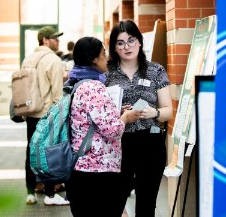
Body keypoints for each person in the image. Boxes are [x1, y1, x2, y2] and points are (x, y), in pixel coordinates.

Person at [65, 37, 141, 217]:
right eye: (103, 53)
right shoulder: (94, 87)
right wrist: (125, 117)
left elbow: (89, 119)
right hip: (99, 172)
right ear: (93, 59)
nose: (107, 58)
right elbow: (112, 130)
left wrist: (116, 112)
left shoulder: (78, 83)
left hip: (81, 168)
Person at [106, 20, 172, 216]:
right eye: (120, 43)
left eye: (131, 40)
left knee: (146, 204)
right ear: (114, 47)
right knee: (115, 201)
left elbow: (168, 109)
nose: (126, 47)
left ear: (140, 42)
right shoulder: (106, 74)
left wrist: (155, 113)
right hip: (118, 143)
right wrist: (120, 114)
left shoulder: (155, 71)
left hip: (150, 141)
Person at [23, 26, 70, 206]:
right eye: (55, 38)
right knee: (49, 153)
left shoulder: (27, 59)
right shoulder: (53, 60)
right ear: (45, 40)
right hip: (47, 114)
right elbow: (58, 95)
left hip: (30, 112)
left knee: (31, 151)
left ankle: (30, 192)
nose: (58, 41)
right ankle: (50, 194)